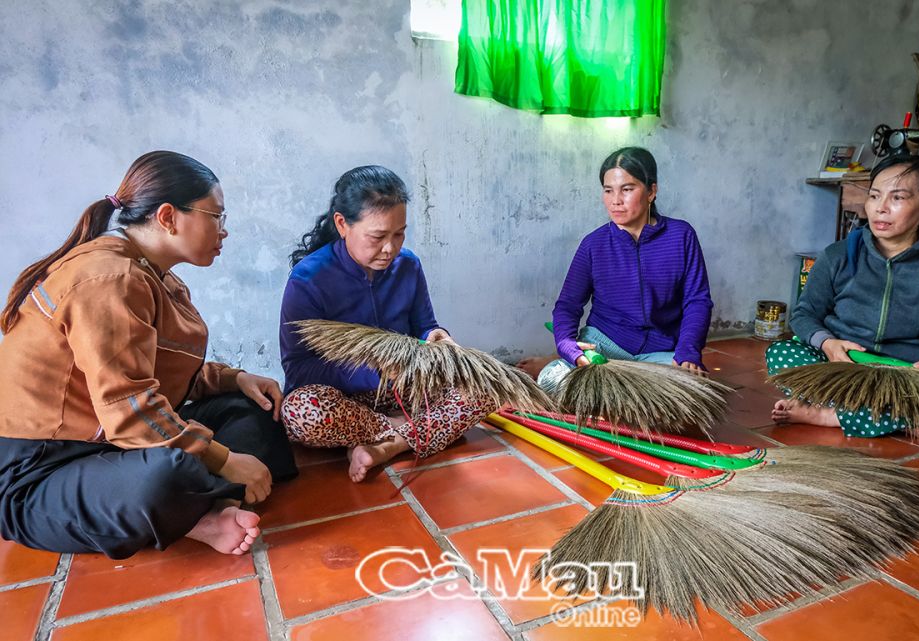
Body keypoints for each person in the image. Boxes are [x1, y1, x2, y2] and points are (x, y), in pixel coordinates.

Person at [0, 151, 297, 559]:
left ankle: (221, 506)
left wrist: (235, 379)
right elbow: (128, 411)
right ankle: (202, 518)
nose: (224, 231)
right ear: (168, 217)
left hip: (115, 444)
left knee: (254, 409)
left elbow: (163, 370)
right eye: (216, 216)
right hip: (44, 468)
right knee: (165, 476)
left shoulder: (151, 274)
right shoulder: (108, 279)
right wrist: (224, 459)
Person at [279, 166, 494, 482]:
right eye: (377, 236)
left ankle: (384, 446)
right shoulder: (308, 280)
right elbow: (298, 369)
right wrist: (372, 373)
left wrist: (437, 338)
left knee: (485, 383)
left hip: (405, 389)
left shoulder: (408, 265)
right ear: (342, 224)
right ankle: (404, 433)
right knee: (301, 412)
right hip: (345, 398)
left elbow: (424, 326)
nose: (390, 248)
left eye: (399, 233)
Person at [767, 154, 919, 444]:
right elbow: (804, 314)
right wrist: (828, 344)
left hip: (908, 375)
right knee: (782, 354)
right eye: (874, 196)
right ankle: (898, 420)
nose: (881, 209)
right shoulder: (839, 255)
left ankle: (828, 414)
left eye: (897, 198)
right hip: (844, 366)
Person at [516, 146, 714, 391]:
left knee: (694, 390)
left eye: (627, 189)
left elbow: (697, 301)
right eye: (608, 190)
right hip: (603, 345)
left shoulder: (681, 235)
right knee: (552, 383)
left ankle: (606, 376)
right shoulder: (593, 244)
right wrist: (567, 345)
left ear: (652, 191)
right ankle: (563, 363)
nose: (615, 200)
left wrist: (687, 351)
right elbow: (568, 305)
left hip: (660, 351)